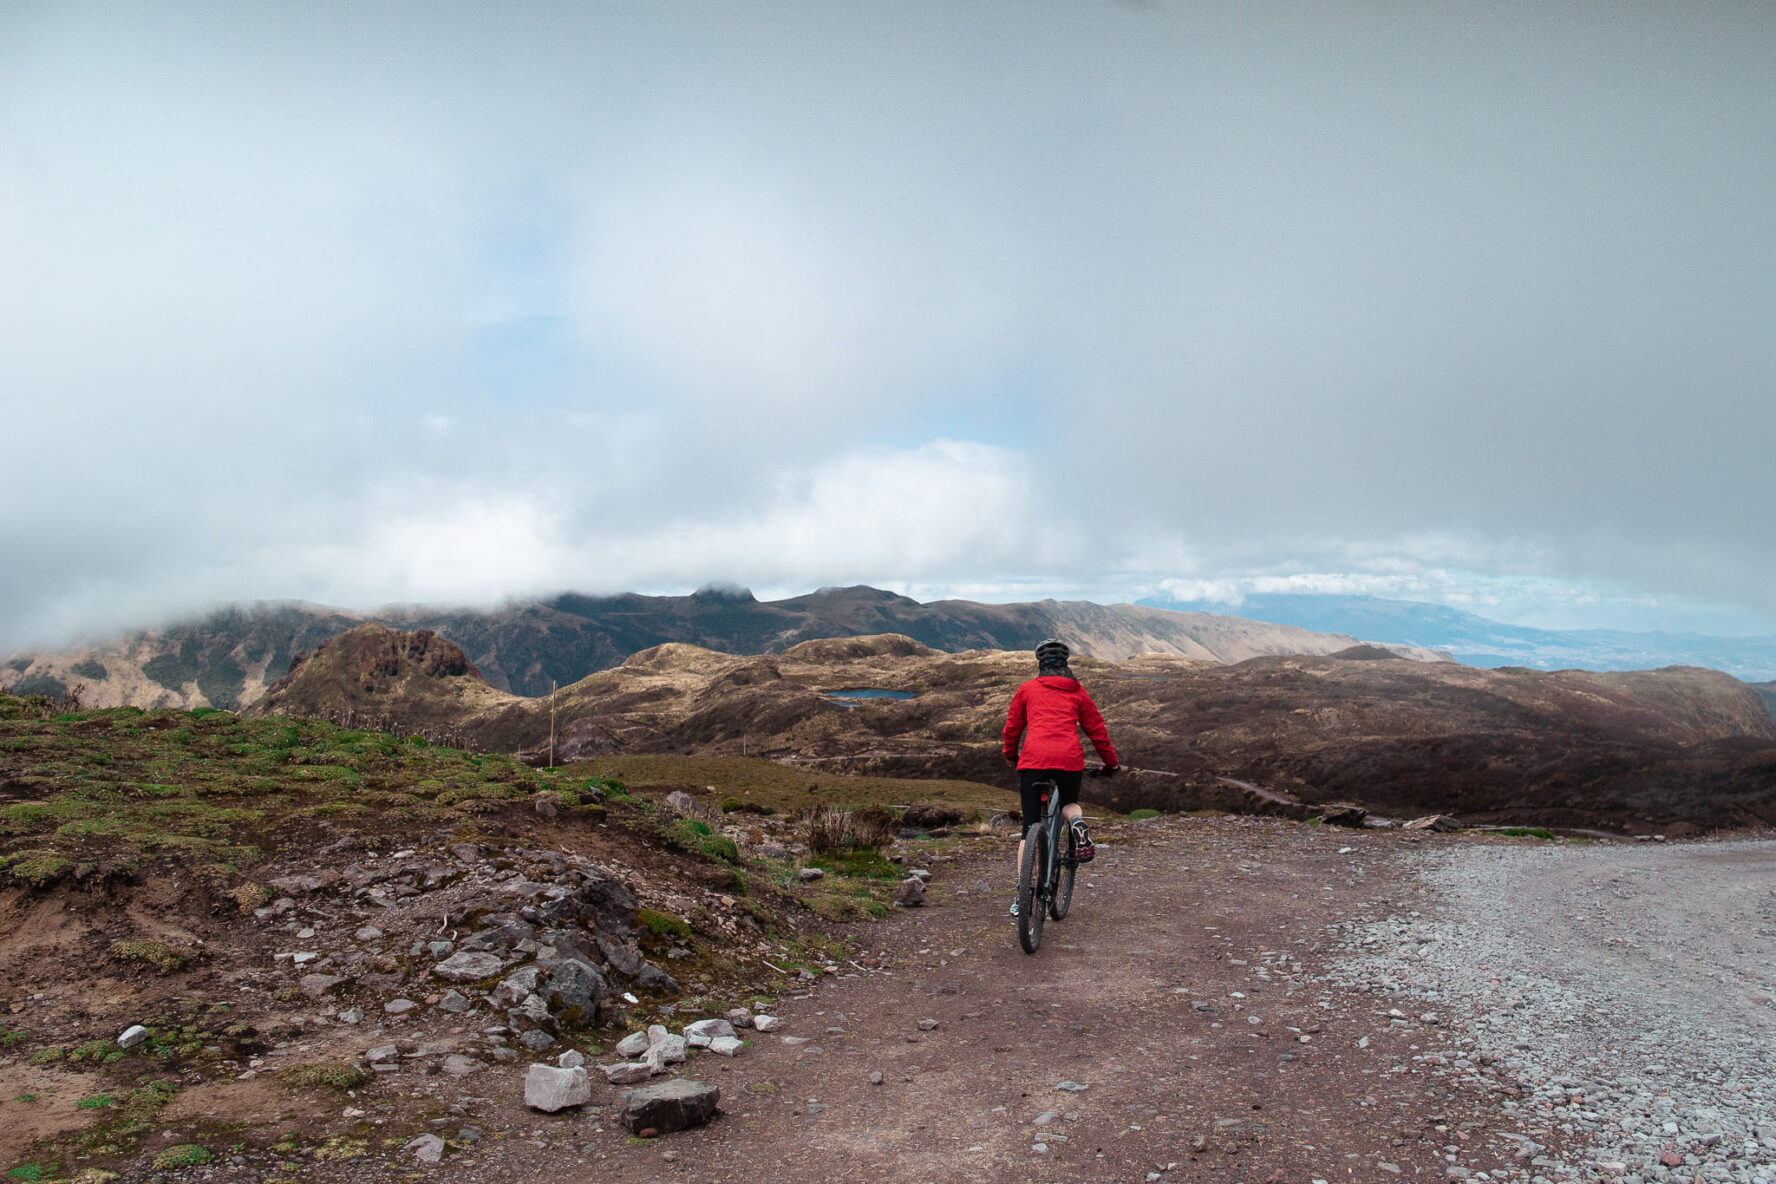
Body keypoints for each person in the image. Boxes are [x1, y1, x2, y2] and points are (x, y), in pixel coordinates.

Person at [1001, 638, 1118, 915]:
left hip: (1033, 760)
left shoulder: (1027, 689)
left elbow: (1012, 728)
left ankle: (1023, 896)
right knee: (1068, 803)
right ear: (1066, 664)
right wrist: (1110, 764)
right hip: (1068, 760)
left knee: (1029, 827)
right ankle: (1076, 821)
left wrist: (1010, 755)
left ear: (1040, 664)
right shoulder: (1077, 692)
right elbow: (1097, 730)